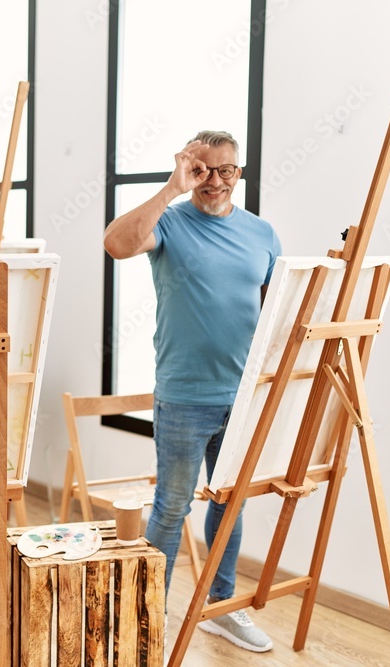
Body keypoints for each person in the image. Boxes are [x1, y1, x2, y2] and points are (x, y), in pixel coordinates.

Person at [103, 130, 281, 653]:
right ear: (188, 171)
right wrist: (170, 189)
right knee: (172, 507)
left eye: (225, 170)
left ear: (239, 174)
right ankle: (145, 615)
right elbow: (116, 244)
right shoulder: (170, 223)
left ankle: (220, 609)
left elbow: (273, 310)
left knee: (231, 505)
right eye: (202, 170)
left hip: (242, 398)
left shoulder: (263, 233)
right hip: (183, 395)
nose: (214, 181)